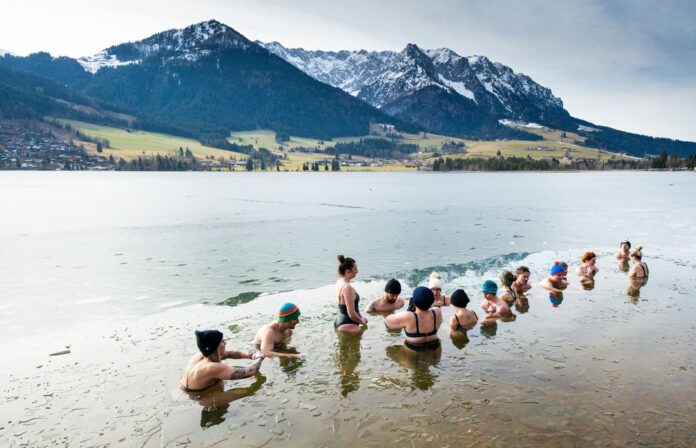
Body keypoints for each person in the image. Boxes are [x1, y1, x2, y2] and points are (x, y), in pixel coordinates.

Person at [180, 330, 265, 393]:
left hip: (184, 390)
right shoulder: (212, 367)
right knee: (248, 392)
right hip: (198, 396)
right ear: (215, 347)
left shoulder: (201, 355)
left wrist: (250, 355)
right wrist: (260, 357)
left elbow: (228, 354)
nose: (225, 343)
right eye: (222, 341)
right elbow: (249, 372)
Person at [385, 286, 442, 350]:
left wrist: (408, 311)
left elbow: (388, 321)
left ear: (414, 302)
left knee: (389, 351)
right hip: (435, 351)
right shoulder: (437, 312)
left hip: (414, 353)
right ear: (432, 301)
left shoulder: (408, 316)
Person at [335, 254, 368, 336]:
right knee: (356, 348)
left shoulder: (339, 282)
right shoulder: (347, 288)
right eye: (355, 269)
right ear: (348, 272)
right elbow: (351, 314)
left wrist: (360, 316)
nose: (357, 271)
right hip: (348, 324)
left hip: (340, 320)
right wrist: (362, 322)